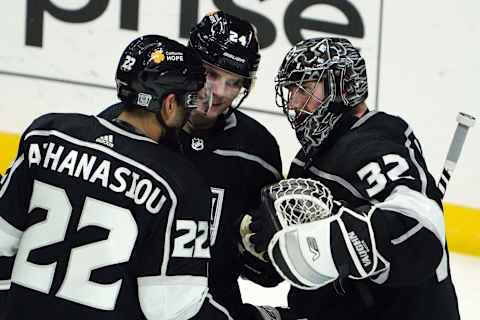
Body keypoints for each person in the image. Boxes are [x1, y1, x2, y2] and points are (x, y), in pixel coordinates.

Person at [0, 34, 231, 319]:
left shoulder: (47, 135)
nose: (191, 110)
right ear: (170, 104)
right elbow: (174, 307)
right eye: (190, 100)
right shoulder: (179, 183)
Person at [242, 37, 460, 320]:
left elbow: (419, 232)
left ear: (343, 88)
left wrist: (331, 234)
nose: (294, 102)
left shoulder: (376, 143)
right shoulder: (311, 157)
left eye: (305, 89)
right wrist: (270, 248)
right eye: (291, 90)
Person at [99, 11, 283, 319]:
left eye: (234, 81)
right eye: (212, 74)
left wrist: (266, 248)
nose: (221, 92)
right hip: (120, 303)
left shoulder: (258, 151)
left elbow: (266, 273)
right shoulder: (131, 122)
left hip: (207, 309)